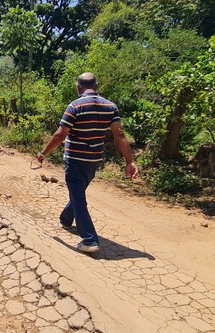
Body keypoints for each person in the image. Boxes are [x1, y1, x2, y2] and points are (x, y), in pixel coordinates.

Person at [36, 73, 138, 254]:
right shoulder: (110, 107)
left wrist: (43, 153)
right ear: (96, 86)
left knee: (79, 198)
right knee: (78, 192)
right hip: (94, 160)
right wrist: (129, 161)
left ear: (78, 87)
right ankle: (66, 219)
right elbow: (119, 134)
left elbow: (60, 134)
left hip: (75, 159)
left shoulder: (75, 106)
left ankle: (89, 239)